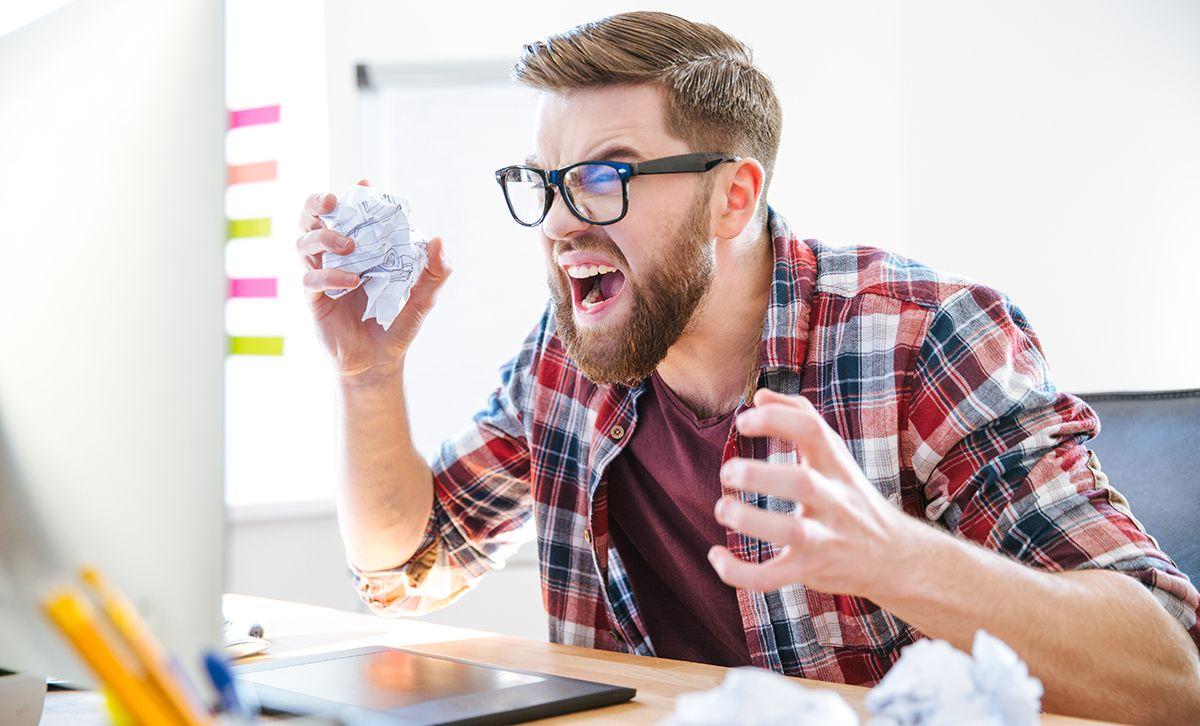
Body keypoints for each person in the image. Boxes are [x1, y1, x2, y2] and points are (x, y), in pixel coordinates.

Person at [295, 11, 1200, 723]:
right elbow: (410, 564)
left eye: (607, 175)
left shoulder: (924, 338)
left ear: (734, 198)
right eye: (545, 181)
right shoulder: (569, 357)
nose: (562, 222)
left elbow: (1169, 678)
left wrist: (896, 559)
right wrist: (367, 376)